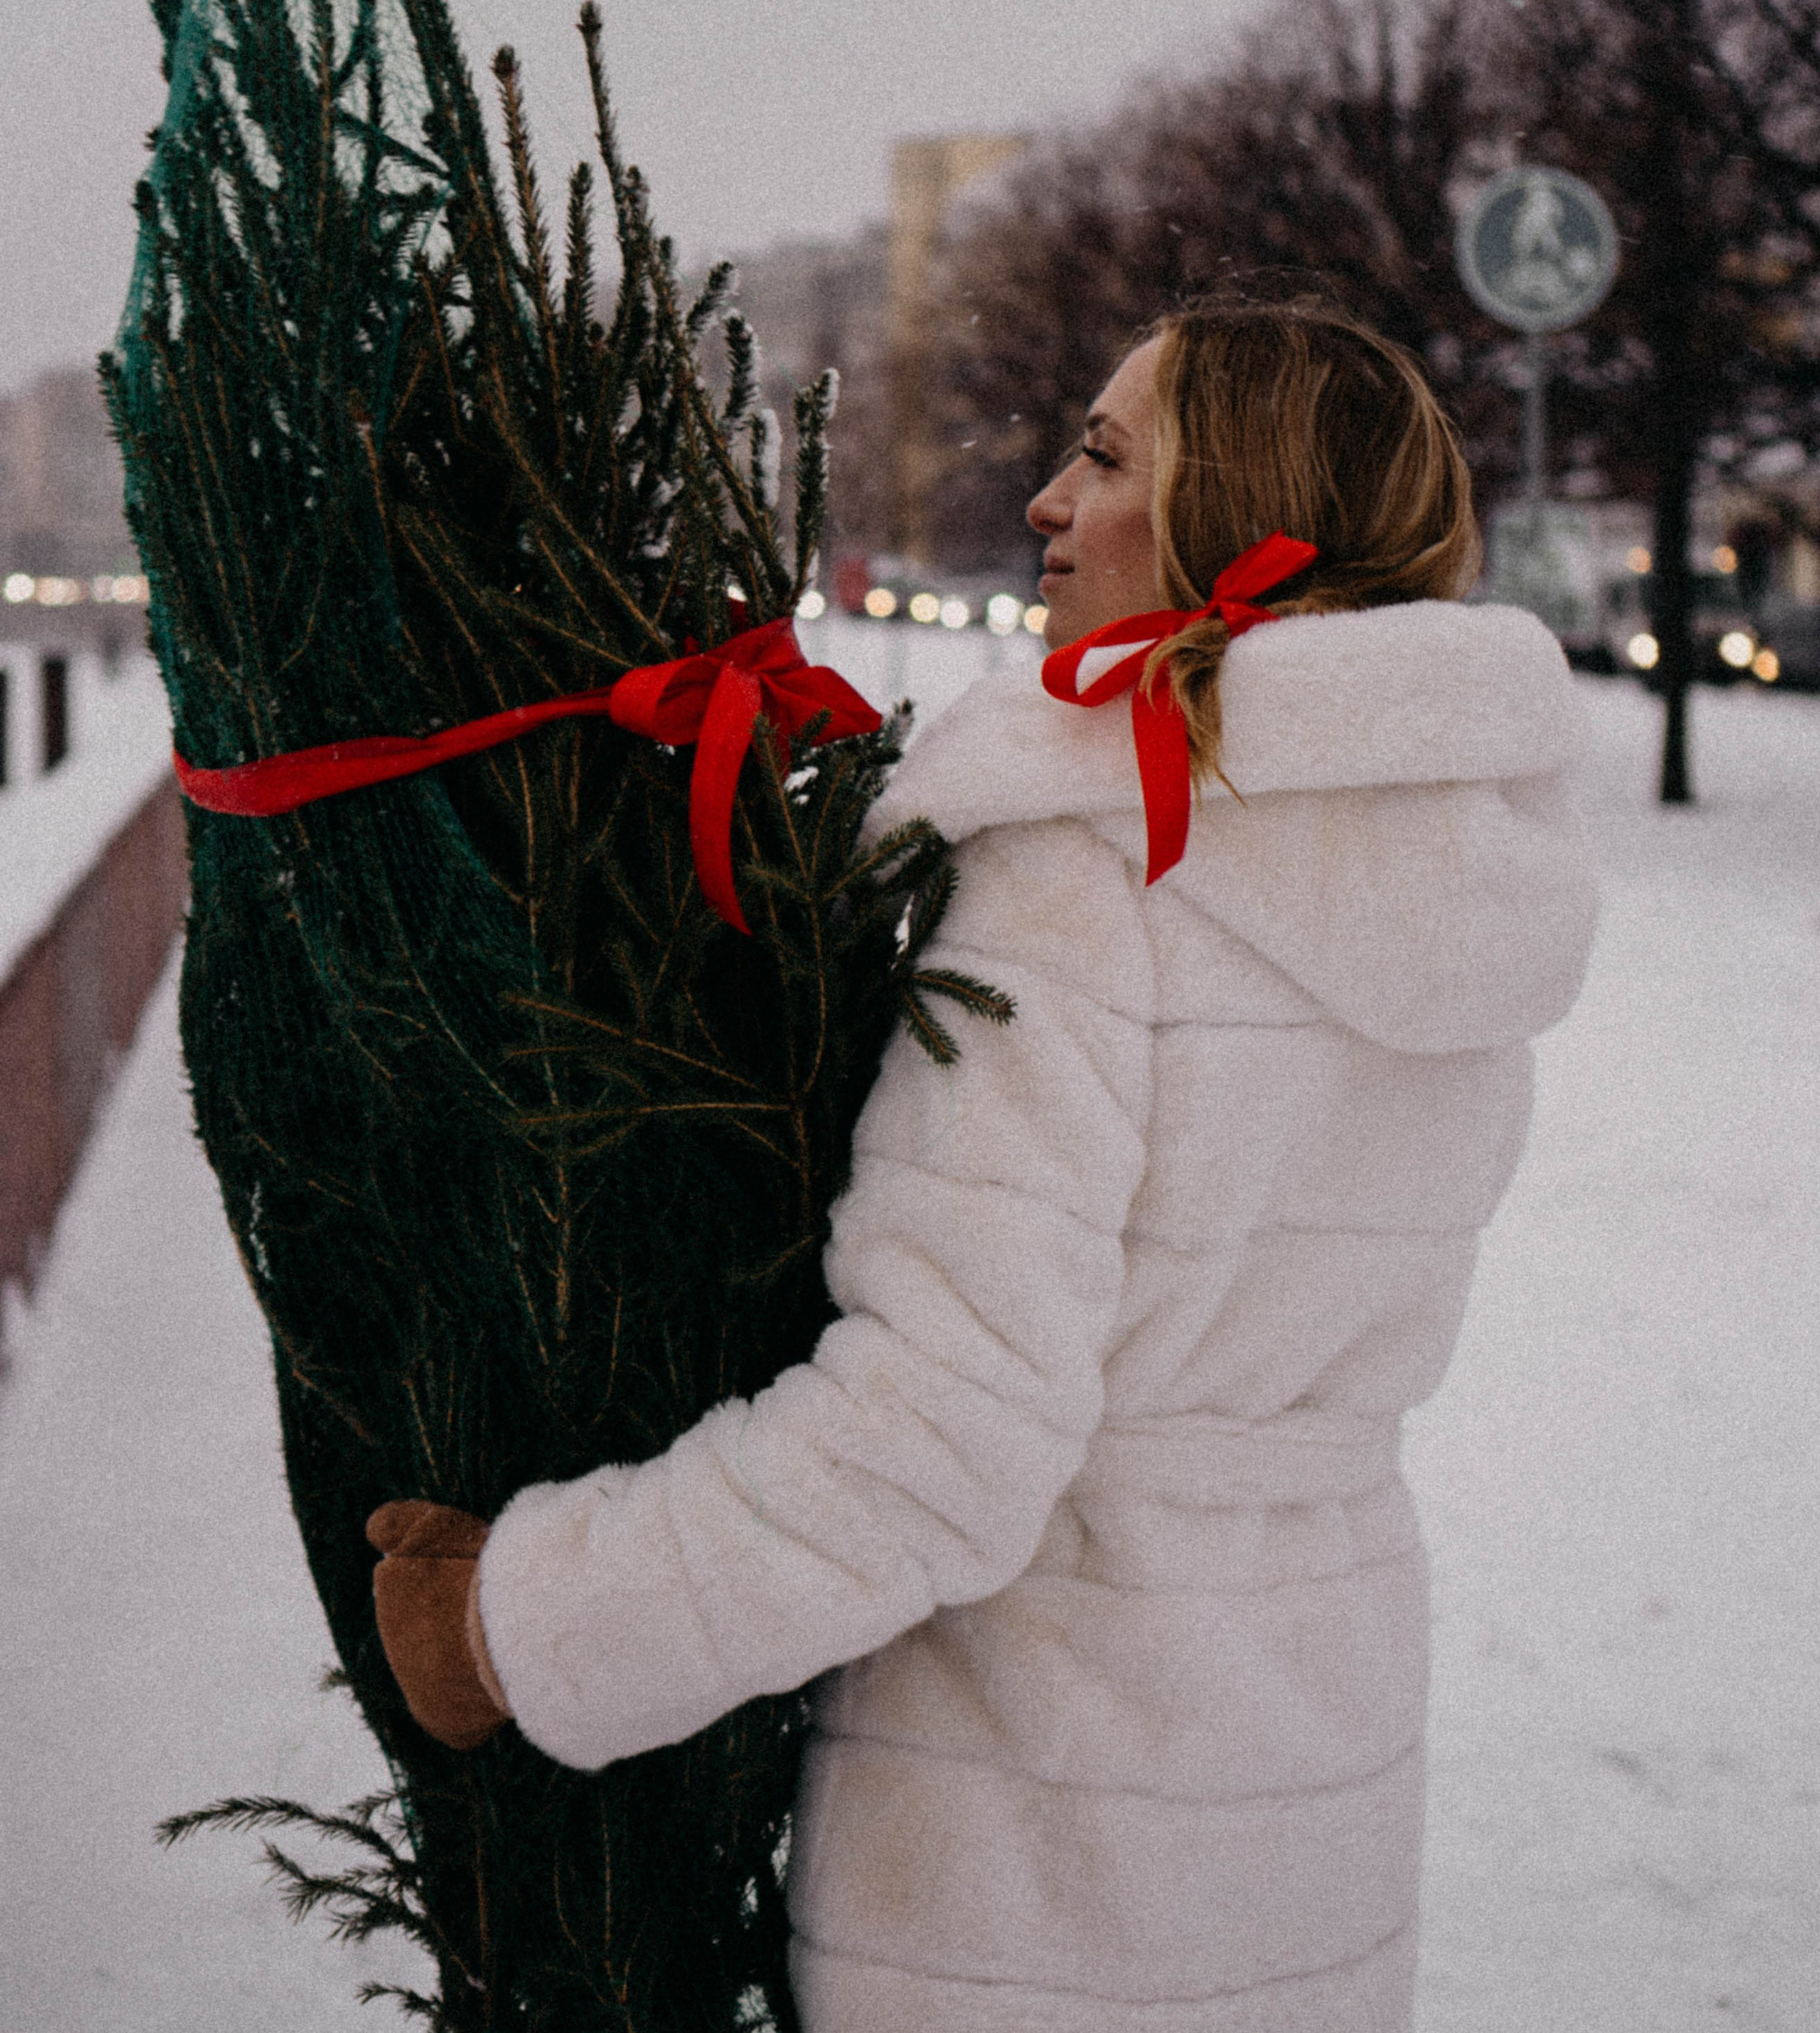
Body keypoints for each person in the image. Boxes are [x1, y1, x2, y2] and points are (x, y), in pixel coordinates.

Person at [370, 299, 1597, 2032]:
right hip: (1304, 1765)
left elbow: (941, 1435)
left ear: (1233, 513)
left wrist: (526, 1621)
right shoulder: (1453, 886)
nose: (1043, 500)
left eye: (1103, 457)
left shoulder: (1088, 862)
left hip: (1039, 1838)